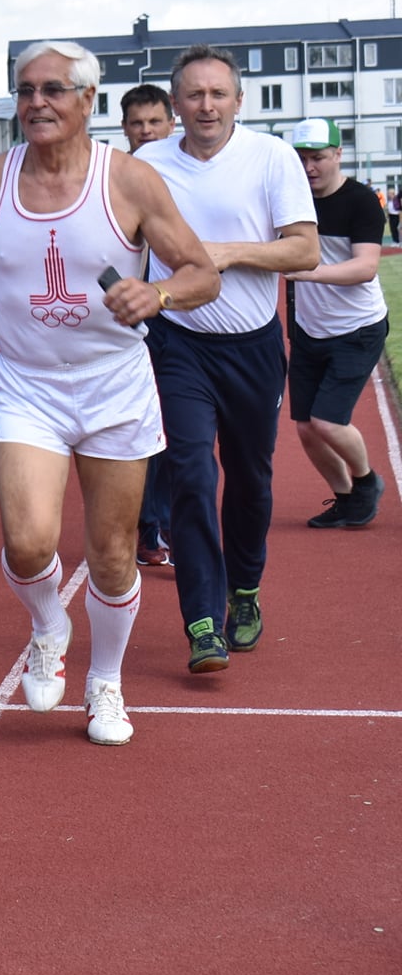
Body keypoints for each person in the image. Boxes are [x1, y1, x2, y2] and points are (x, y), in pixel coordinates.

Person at [0, 40, 219, 745]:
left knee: (112, 551)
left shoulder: (127, 181)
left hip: (115, 389)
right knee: (29, 541)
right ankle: (48, 625)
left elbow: (202, 272)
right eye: (25, 89)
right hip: (29, 385)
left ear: (87, 100)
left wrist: (157, 291)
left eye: (54, 89)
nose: (36, 102)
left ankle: (106, 683)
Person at [134, 45, 317, 671]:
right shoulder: (148, 162)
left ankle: (245, 588)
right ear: (175, 103)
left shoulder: (272, 157)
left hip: (253, 347)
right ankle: (203, 620)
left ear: (238, 100)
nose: (206, 105)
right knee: (189, 475)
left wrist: (227, 253)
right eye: (194, 94)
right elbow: (124, 242)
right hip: (177, 343)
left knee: (249, 481)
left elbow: (304, 253)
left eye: (218, 94)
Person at [283, 117, 388, 527]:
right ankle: (347, 499)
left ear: (338, 155)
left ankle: (366, 482)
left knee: (328, 421)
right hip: (311, 331)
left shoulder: (360, 201)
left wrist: (306, 271)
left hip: (357, 330)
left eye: (319, 158)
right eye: (302, 158)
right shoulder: (292, 202)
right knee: (307, 429)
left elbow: (365, 267)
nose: (310, 167)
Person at [120, 83, 178, 566]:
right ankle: (146, 525)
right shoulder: (112, 179)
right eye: (137, 124)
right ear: (124, 129)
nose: (146, 131)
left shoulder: (184, 176)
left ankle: (165, 525)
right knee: (137, 431)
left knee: (177, 431)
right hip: (130, 323)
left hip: (181, 319)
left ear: (170, 124)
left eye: (154, 122)